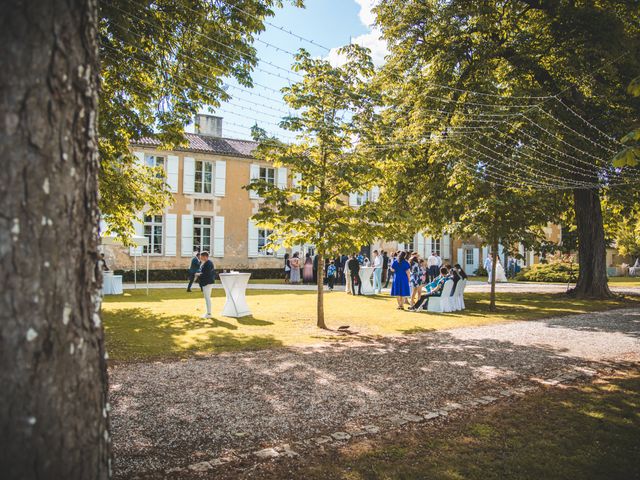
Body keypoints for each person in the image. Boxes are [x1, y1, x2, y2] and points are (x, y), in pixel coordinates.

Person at [198, 251, 215, 319]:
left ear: (205, 256)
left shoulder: (208, 263)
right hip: (208, 282)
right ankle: (208, 312)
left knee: (207, 298)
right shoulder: (208, 263)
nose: (201, 258)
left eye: (201, 257)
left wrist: (199, 274)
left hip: (207, 282)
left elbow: (206, 274)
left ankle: (209, 313)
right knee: (207, 298)